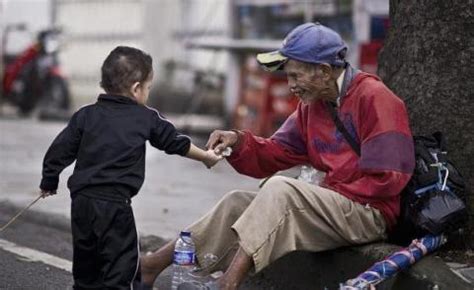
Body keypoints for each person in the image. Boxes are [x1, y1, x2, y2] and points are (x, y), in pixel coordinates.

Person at [141, 23, 415, 290]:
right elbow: (276, 152)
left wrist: (322, 189)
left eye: (296, 76)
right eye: (289, 76)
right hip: (336, 207)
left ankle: (228, 284)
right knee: (237, 202)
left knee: (281, 189)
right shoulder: (313, 105)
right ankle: (153, 265)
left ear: (323, 70)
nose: (291, 85)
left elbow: (389, 177)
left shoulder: (375, 98)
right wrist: (238, 142)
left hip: (370, 213)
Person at [39, 46, 223, 290]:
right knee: (122, 265)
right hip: (115, 207)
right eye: (148, 88)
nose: (147, 92)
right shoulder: (145, 117)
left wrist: (49, 181)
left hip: (81, 203)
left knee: (86, 264)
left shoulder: (85, 115)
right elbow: (175, 142)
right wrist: (206, 157)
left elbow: (59, 151)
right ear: (137, 89)